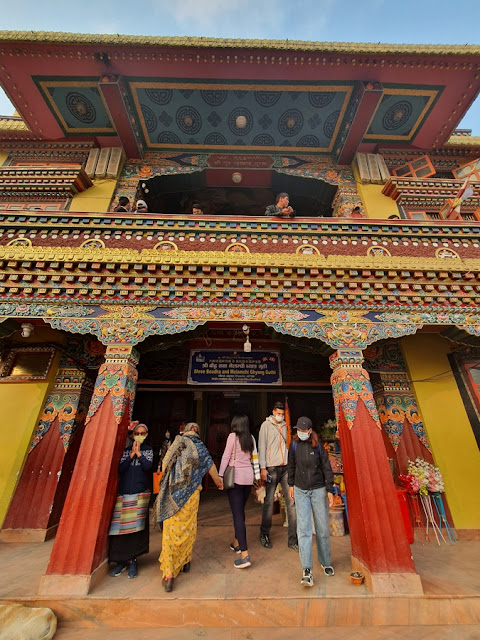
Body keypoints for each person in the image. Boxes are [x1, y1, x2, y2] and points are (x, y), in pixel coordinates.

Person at [155, 422, 223, 592]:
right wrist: (219, 482)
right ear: (197, 432)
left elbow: (164, 466)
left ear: (185, 431)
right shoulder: (200, 447)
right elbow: (211, 467)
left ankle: (169, 573)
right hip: (192, 496)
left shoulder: (176, 444)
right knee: (188, 528)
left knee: (171, 532)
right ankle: (185, 561)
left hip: (173, 495)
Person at [287, 416, 334, 588]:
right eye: (297, 430)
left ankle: (325, 561)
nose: (300, 433)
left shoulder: (319, 447)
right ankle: (307, 569)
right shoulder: (293, 446)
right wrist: (290, 484)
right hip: (300, 490)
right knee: (304, 529)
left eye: (302, 430)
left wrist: (330, 490)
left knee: (322, 528)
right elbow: (291, 466)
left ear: (309, 431)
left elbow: (327, 469)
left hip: (318, 489)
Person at [108, 422, 153, 579]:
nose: (139, 436)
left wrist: (139, 454)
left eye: (142, 433)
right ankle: (120, 560)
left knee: (136, 530)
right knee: (120, 530)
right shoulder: (126, 452)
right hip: (124, 493)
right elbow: (120, 469)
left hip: (139, 493)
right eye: (137, 433)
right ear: (133, 434)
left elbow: (148, 467)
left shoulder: (148, 450)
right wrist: (131, 456)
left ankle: (133, 560)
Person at [219, 414, 261, 569]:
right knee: (240, 511)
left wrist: (220, 476)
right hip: (248, 479)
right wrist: (257, 477)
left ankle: (244, 554)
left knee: (237, 516)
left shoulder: (232, 436)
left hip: (235, 479)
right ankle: (237, 543)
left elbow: (225, 457)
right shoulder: (251, 438)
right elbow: (255, 457)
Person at [258, 401, 297, 549]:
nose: (281, 416)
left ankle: (293, 539)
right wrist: (263, 467)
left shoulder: (285, 426)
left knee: (291, 503)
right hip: (272, 468)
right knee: (268, 503)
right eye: (278, 414)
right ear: (273, 412)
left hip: (286, 467)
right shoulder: (265, 426)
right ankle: (264, 533)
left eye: (282, 414)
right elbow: (262, 447)